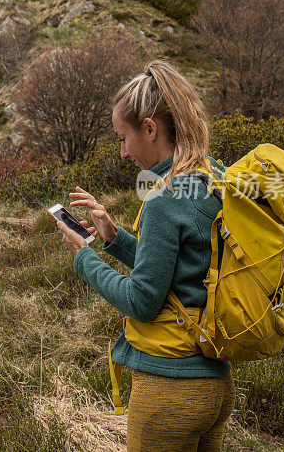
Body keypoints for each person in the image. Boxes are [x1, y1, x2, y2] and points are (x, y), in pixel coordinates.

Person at [55, 59, 235, 451]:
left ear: (150, 128)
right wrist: (114, 238)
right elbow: (182, 270)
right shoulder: (211, 175)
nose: (122, 152)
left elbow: (143, 301)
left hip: (170, 392)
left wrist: (84, 257)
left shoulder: (163, 199)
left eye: (123, 137)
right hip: (216, 385)